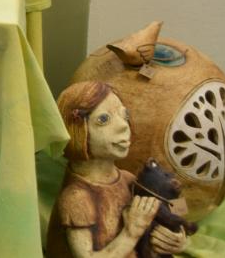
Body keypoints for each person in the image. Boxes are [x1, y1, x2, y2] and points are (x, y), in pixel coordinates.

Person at [47, 81, 189, 258]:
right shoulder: (76, 198)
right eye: (103, 119)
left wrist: (181, 235)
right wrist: (131, 233)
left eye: (125, 115)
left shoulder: (128, 179)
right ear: (75, 128)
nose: (123, 125)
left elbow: (176, 204)